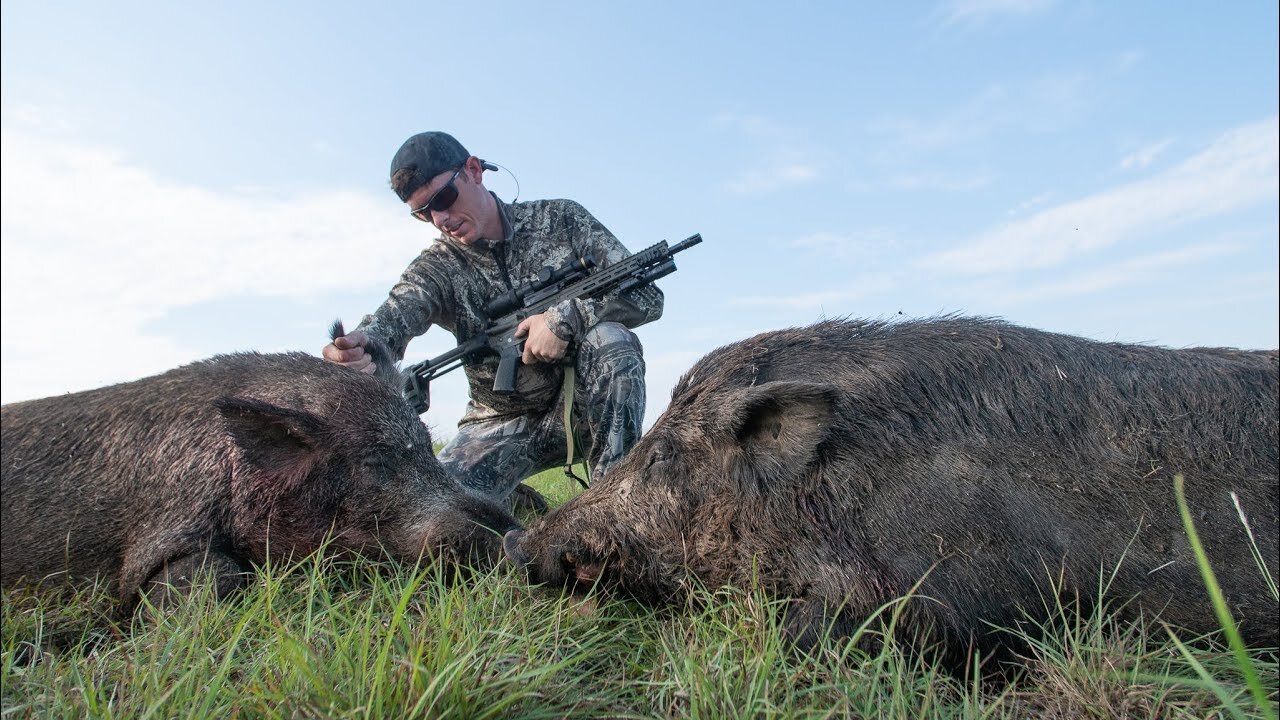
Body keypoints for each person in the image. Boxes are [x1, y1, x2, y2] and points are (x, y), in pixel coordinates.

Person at [323, 131, 662, 510]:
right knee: (432, 512)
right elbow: (394, 316)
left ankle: (611, 512)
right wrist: (360, 347)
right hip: (495, 421)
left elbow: (647, 297)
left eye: (443, 199)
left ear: (474, 171)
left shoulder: (563, 219)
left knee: (612, 341)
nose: (440, 219)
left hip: (585, 410)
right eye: (423, 213)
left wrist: (569, 317)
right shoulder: (437, 266)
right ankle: (516, 504)